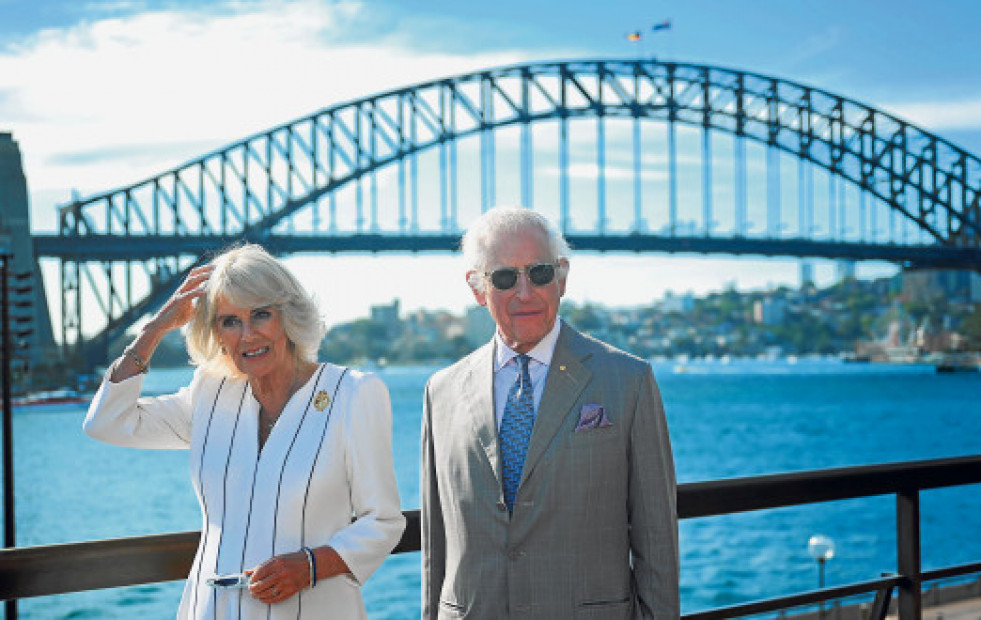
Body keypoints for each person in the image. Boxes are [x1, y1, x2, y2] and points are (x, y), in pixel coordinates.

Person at [84, 243, 405, 619]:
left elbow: (382, 521)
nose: (247, 334)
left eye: (261, 315)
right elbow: (106, 422)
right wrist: (156, 328)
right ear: (216, 333)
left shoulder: (352, 394)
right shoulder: (210, 392)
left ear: (287, 317)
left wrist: (310, 565)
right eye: (229, 321)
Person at [421, 206, 679, 619]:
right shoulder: (441, 392)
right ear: (476, 289)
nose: (525, 292)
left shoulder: (628, 381)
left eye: (539, 273)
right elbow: (436, 542)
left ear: (562, 276)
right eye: (505, 277)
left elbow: (657, 540)